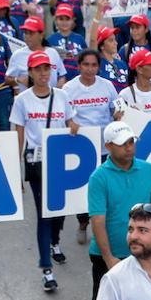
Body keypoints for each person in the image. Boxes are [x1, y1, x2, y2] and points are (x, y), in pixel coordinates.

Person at [11, 50, 79, 292]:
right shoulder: (22, 100)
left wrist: (73, 126)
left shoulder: (62, 96)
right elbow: (18, 135)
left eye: (46, 68)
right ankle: (46, 270)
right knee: (44, 214)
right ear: (30, 72)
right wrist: (16, 170)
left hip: (61, 161)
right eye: (38, 69)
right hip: (36, 162)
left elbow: (71, 121)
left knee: (60, 210)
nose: (43, 73)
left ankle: (55, 241)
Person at [87, 121, 151, 300]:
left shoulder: (150, 170)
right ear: (108, 146)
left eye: (131, 142)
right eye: (122, 144)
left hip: (143, 253)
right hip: (110, 256)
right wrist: (109, 258)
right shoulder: (99, 177)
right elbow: (97, 221)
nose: (129, 148)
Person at [64, 49, 120, 244]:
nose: (90, 69)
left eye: (94, 65)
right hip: (82, 149)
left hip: (106, 148)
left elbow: (116, 108)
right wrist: (70, 123)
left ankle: (104, 228)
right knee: (85, 191)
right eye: (86, 65)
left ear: (99, 67)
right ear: (79, 66)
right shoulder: (69, 89)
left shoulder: (107, 86)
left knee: (107, 189)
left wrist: (118, 114)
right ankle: (82, 223)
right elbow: (64, 116)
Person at [7, 16, 67, 89]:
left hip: (51, 94)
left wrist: (59, 87)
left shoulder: (53, 53)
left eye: (31, 33)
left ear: (41, 35)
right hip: (27, 95)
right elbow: (7, 79)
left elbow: (62, 75)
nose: (27, 36)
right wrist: (17, 80)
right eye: (25, 33)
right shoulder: (18, 55)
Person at [48, 4, 87, 81]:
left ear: (73, 20)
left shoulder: (79, 39)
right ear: (56, 20)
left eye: (67, 19)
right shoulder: (50, 40)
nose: (64, 22)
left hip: (77, 80)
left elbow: (85, 59)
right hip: (58, 81)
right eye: (61, 19)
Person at [96, 26, 129, 92]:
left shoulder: (122, 64)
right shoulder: (97, 65)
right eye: (111, 40)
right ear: (101, 46)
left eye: (115, 40)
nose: (116, 43)